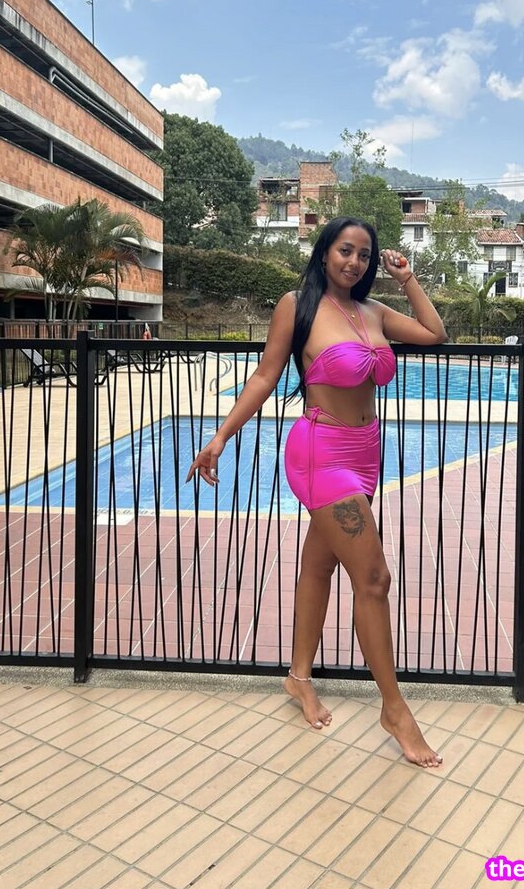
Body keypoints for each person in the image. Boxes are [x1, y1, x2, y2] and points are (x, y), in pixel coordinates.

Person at [186, 216, 447, 768]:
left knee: (319, 566)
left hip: (365, 455)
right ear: (325, 251)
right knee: (374, 579)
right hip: (320, 454)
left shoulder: (373, 311)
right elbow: (265, 376)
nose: (354, 262)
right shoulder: (297, 305)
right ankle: (394, 709)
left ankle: (298, 677)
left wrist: (407, 280)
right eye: (345, 250)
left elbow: (434, 334)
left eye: (363, 255)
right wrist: (220, 436)